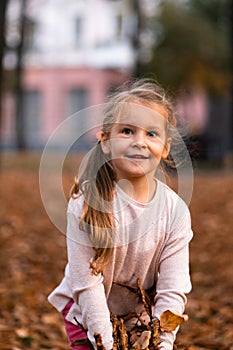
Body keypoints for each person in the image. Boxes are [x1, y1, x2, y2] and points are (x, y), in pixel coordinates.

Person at [48, 79, 193, 350]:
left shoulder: (175, 211)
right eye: (127, 131)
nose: (140, 142)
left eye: (151, 134)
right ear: (105, 141)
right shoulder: (86, 203)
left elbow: (174, 289)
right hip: (87, 314)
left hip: (140, 320)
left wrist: (163, 342)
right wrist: (106, 342)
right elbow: (85, 284)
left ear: (165, 147)